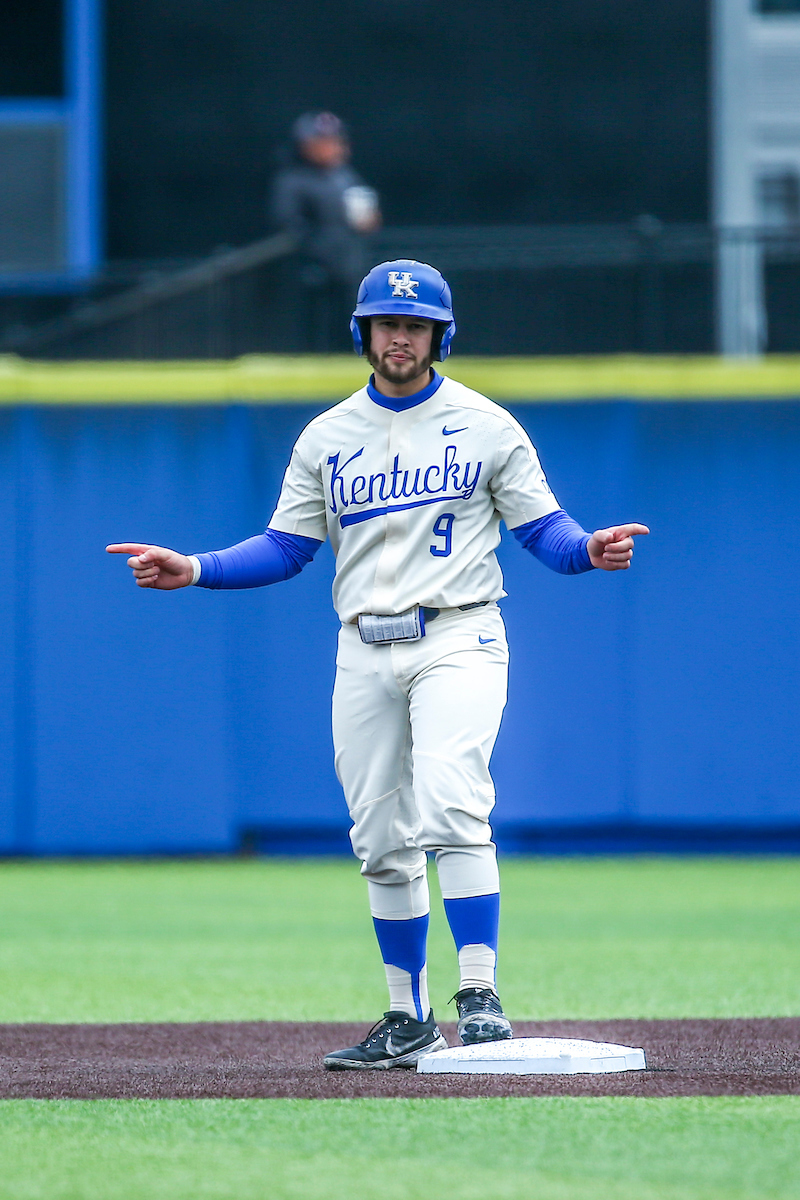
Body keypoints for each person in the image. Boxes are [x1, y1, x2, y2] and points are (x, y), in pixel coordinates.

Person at [107, 260, 649, 1071]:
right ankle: (407, 1016)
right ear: (364, 332)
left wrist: (589, 551)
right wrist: (197, 567)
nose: (401, 336)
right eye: (388, 324)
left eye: (416, 325)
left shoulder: (486, 424)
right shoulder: (327, 436)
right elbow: (287, 547)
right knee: (379, 838)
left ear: (440, 335)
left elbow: (547, 531)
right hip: (362, 646)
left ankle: (479, 993)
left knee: (452, 797)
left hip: (459, 634)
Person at [270, 111, 381, 352]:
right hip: (313, 267)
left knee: (352, 321)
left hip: (350, 265)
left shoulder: (346, 176)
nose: (331, 147)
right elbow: (287, 223)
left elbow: (366, 219)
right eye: (322, 142)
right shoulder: (293, 179)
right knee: (316, 325)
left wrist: (369, 220)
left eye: (335, 141)